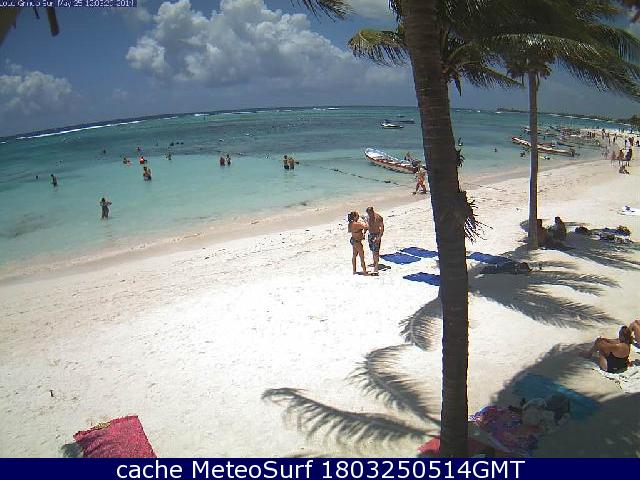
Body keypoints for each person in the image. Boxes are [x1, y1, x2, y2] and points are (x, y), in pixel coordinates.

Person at [347, 211, 369, 275]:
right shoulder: (356, 224)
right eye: (357, 215)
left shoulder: (350, 224)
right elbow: (367, 226)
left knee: (354, 255)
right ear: (354, 217)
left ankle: (354, 270)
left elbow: (350, 231)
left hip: (353, 240)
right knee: (361, 256)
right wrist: (365, 220)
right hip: (357, 242)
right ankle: (364, 271)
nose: (358, 216)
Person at [366, 206, 384, 275]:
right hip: (370, 235)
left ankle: (376, 266)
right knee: (372, 250)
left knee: (376, 251)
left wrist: (379, 237)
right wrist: (364, 232)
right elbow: (368, 225)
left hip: (376, 235)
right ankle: (374, 262)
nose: (369, 214)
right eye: (368, 213)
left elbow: (382, 227)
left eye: (369, 213)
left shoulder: (378, 217)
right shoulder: (368, 217)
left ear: (372, 212)